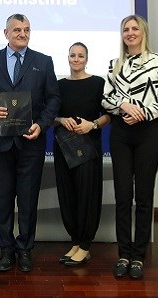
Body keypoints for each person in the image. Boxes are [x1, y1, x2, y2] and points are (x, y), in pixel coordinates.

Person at [0, 13, 61, 273]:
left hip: (31, 142)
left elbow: (53, 99)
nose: (22, 34)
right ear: (6, 33)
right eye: (17, 30)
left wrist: (42, 124)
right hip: (0, 142)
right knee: (4, 199)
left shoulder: (43, 61)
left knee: (27, 200)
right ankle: (6, 248)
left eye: (26, 29)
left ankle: (25, 248)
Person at [102, 15, 158, 280]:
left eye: (135, 29)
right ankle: (124, 254)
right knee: (123, 196)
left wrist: (142, 112)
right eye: (126, 29)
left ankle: (138, 256)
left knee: (143, 196)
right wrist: (123, 105)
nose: (130, 33)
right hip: (121, 134)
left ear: (143, 32)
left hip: (148, 133)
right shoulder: (114, 64)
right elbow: (106, 99)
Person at [53, 42, 110, 266]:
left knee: (87, 195)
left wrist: (92, 125)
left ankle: (86, 245)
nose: (76, 59)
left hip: (89, 147)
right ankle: (76, 242)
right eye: (72, 55)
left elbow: (109, 115)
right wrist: (61, 120)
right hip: (64, 147)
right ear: (67, 58)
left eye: (80, 56)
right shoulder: (58, 85)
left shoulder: (98, 83)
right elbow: (51, 116)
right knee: (68, 195)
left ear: (87, 59)